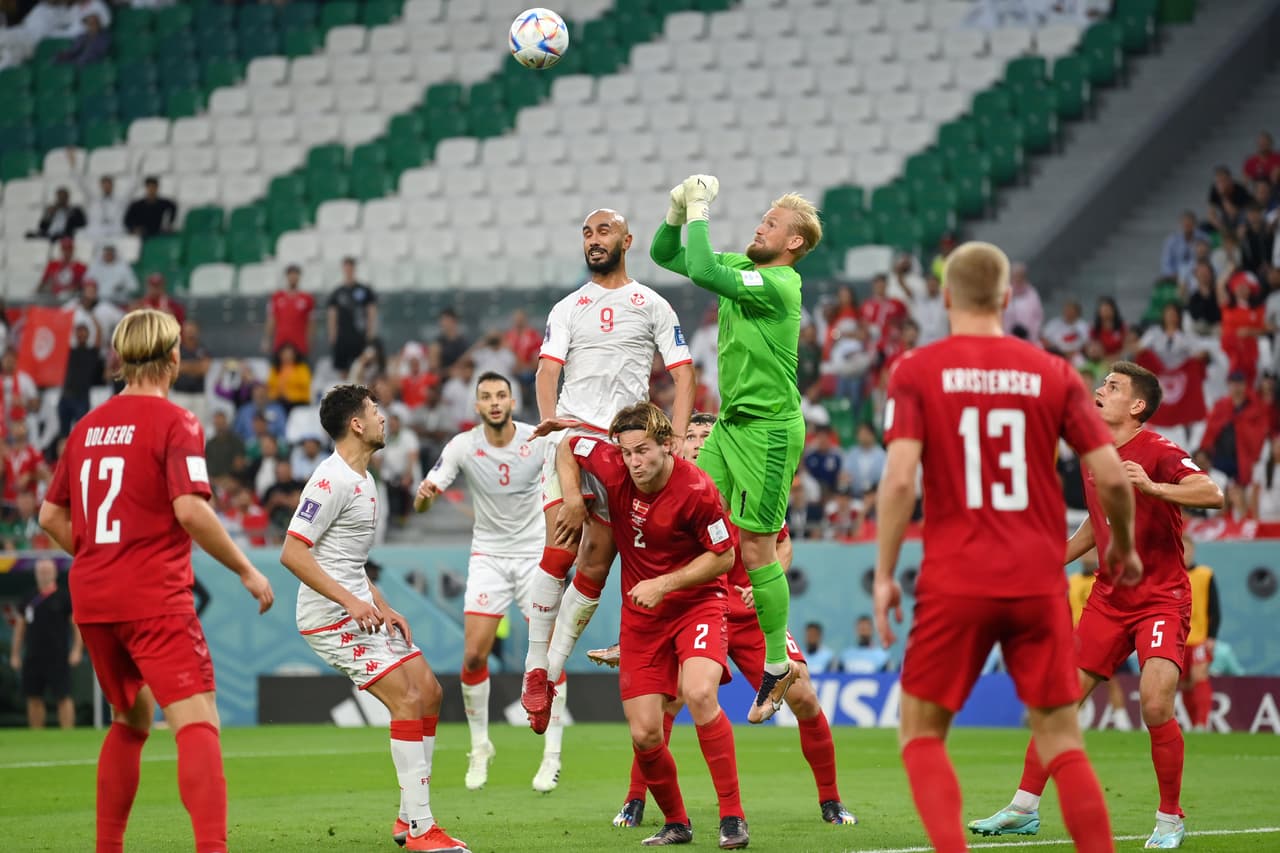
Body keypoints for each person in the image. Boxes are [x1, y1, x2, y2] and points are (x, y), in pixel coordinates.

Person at [874, 241, 1140, 853]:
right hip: (1037, 578)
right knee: (1060, 738)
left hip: (955, 578)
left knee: (920, 730)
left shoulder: (916, 369)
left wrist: (886, 572)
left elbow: (897, 481)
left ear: (945, 298)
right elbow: (1111, 472)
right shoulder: (1053, 372)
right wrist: (1120, 546)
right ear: (1004, 298)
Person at [37, 308, 274, 853]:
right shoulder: (176, 422)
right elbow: (190, 510)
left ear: (119, 360)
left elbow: (50, 517)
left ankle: (108, 847)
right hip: (153, 596)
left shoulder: (86, 427)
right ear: (174, 358)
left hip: (94, 598)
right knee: (198, 720)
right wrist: (245, 567)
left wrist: (102, 555)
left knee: (131, 715)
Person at [968, 360, 1224, 849]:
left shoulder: (1159, 450)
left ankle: (1170, 819)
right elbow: (1095, 524)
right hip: (1109, 598)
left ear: (1137, 406)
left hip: (1160, 598)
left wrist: (1153, 486)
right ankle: (1023, 808)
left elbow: (1211, 493)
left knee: (1153, 703)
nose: (1098, 389)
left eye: (1112, 386)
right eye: (1101, 382)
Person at [587, 412, 857, 830]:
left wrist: (769, 580)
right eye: (690, 436)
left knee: (803, 695)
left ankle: (831, 800)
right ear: (676, 443)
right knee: (666, 704)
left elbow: (781, 544)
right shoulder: (665, 486)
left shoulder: (741, 484)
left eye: (706, 437)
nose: (697, 443)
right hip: (690, 608)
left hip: (747, 614)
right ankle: (636, 798)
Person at [519, 207, 694, 735]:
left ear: (627, 240)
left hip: (625, 448)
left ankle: (551, 671)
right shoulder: (568, 306)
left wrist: (679, 441)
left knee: (596, 562)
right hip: (572, 439)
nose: (594, 241)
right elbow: (547, 371)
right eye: (588, 233)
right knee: (561, 544)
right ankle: (533, 668)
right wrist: (551, 420)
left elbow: (683, 376)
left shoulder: (653, 305)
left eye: (604, 232)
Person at [651, 176, 818, 723]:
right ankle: (655, 636)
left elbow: (699, 270)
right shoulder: (747, 271)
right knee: (685, 520)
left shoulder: (782, 285)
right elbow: (665, 253)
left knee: (754, 551)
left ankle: (775, 663)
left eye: (771, 223)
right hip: (730, 425)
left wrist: (699, 205)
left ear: (792, 243)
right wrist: (678, 212)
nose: (758, 226)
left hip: (769, 432)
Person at [279, 384, 468, 852]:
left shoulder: (364, 478)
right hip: (329, 617)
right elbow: (293, 553)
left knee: (429, 691)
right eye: (375, 411)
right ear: (357, 424)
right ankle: (424, 829)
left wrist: (381, 605)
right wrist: (351, 602)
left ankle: (407, 819)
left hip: (360, 607)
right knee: (406, 699)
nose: (384, 419)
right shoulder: (330, 481)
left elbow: (347, 560)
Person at [555, 402, 748, 849]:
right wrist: (571, 498)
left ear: (667, 445)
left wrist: (665, 583)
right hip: (643, 617)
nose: (634, 462)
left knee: (699, 693)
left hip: (697, 603)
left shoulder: (697, 489)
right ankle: (677, 823)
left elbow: (724, 556)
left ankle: (733, 816)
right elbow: (568, 445)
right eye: (626, 453)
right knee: (645, 732)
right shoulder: (613, 463)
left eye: (643, 451)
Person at [414, 372, 564, 792]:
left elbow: (566, 479)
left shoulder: (539, 439)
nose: (495, 402)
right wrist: (425, 497)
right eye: (486, 397)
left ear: (512, 401)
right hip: (489, 559)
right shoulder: (463, 446)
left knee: (548, 655)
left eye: (501, 395)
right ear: (476, 406)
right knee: (474, 656)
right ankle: (480, 746)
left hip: (534, 555)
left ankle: (552, 754)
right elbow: (421, 506)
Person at [9, 557, 82, 729]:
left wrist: (77, 649)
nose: (44, 574)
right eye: (41, 571)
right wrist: (15, 654)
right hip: (33, 655)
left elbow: (76, 625)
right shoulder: (28, 597)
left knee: (63, 695)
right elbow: (20, 628)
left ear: (55, 573)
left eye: (47, 571)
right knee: (33, 696)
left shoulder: (64, 597)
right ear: (35, 573)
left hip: (58, 654)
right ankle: (37, 733)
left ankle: (68, 733)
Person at [1180, 535, 1220, 732]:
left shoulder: (1205, 574)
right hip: (1178, 640)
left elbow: (1215, 609)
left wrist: (1212, 636)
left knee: (1199, 676)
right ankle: (1193, 723)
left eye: (1187, 549)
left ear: (1193, 551)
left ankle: (1202, 723)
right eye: (1181, 549)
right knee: (1186, 684)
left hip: (1199, 638)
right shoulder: (1172, 575)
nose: (1185, 553)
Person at [327, 257, 378, 374]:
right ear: (343, 269)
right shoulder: (337, 292)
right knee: (343, 369)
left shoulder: (364, 290)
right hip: (342, 336)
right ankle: (344, 392)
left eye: (351, 267)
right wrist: (332, 335)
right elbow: (332, 314)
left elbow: (371, 311)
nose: (349, 270)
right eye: (346, 267)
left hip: (359, 335)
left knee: (361, 367)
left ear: (354, 269)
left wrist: (370, 332)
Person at [263, 264, 314, 357]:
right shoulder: (277, 297)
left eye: (295, 274)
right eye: (291, 274)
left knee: (300, 369)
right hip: (281, 342)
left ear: (299, 277)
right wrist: (267, 339)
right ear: (286, 276)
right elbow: (271, 319)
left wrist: (309, 340)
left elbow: (310, 322)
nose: (293, 277)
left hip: (299, 343)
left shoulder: (307, 298)